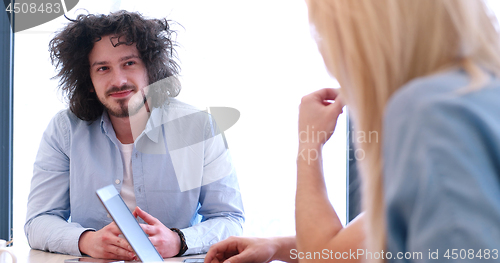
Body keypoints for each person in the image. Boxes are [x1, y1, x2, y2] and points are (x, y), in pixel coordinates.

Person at [205, 0, 500, 262]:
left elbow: (322, 259)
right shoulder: (475, 98)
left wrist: (309, 145)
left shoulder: (428, 112)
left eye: (323, 34)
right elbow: (366, 244)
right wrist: (276, 246)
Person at [25, 11, 244, 261]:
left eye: (129, 63)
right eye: (103, 68)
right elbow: (38, 221)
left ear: (151, 68)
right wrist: (86, 240)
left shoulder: (199, 127)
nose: (118, 80)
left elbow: (230, 219)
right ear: (88, 80)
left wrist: (179, 240)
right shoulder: (64, 130)